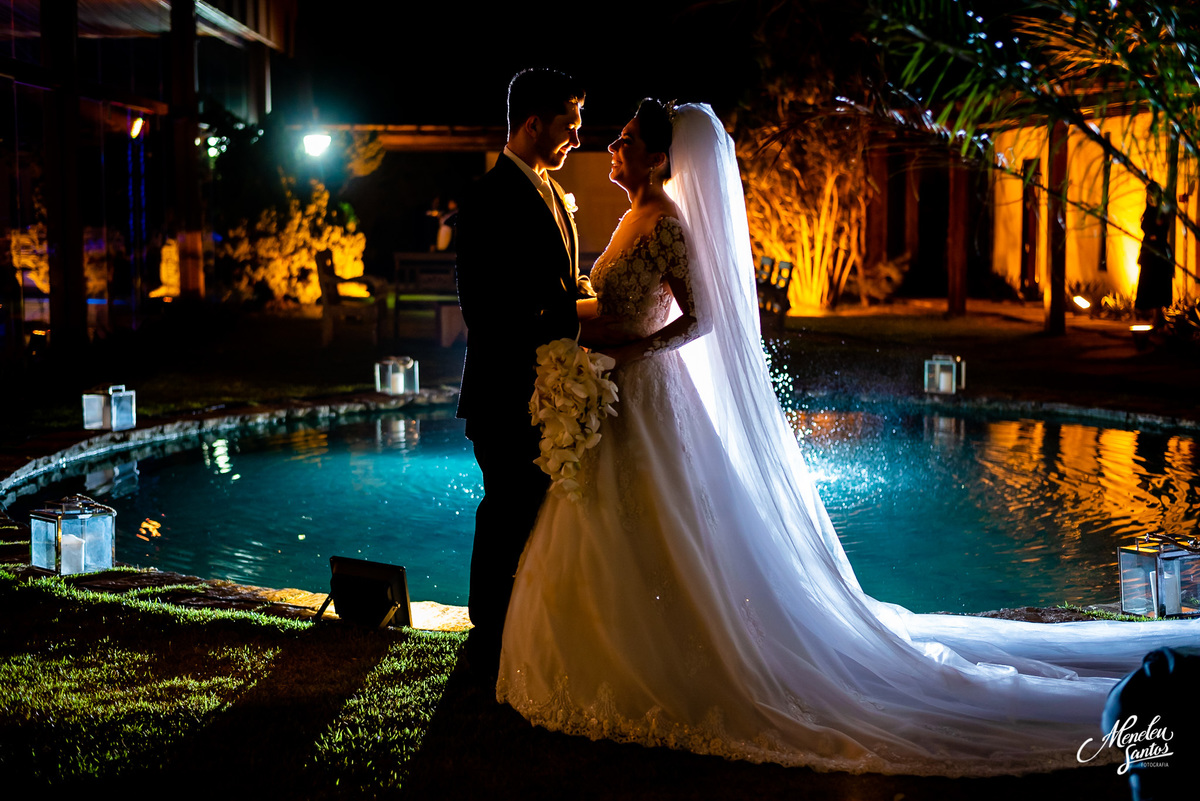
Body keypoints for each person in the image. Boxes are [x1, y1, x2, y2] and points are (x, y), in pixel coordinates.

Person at [496, 100, 1200, 776]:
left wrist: (638, 349)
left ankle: (676, 658)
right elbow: (616, 301)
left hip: (645, 388)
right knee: (618, 522)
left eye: (624, 140)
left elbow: (703, 316)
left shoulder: (666, 223)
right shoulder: (632, 215)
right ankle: (624, 648)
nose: (612, 148)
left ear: (654, 158)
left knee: (657, 524)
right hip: (616, 391)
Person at [454, 68, 587, 678]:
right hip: (505, 392)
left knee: (536, 514)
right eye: (569, 125)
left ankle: (527, 632)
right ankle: (487, 638)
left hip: (552, 391)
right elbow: (484, 311)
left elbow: (558, 281)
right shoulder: (487, 198)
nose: (577, 138)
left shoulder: (554, 192)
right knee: (506, 510)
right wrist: (569, 318)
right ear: (533, 123)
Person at [1134, 181, 1174, 329]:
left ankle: (1158, 317)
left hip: (1158, 252)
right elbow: (1148, 228)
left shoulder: (1161, 211)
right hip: (1149, 252)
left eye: (1152, 194)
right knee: (1149, 282)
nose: (1150, 197)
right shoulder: (1149, 211)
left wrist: (1155, 234)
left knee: (1158, 283)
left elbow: (1162, 229)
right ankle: (1154, 316)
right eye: (1149, 194)